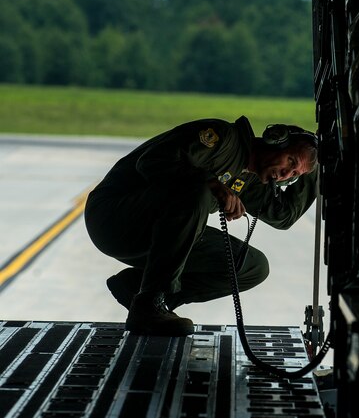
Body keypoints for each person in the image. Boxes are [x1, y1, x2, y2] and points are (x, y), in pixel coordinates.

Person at [84, 116, 319, 336]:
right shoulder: (223, 138)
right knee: (196, 191)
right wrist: (211, 183)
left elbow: (284, 215)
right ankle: (149, 303)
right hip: (114, 217)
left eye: (295, 173)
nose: (286, 173)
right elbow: (152, 161)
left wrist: (321, 159)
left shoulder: (249, 180)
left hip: (155, 234)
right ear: (276, 140)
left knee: (251, 267)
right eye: (291, 161)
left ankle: (142, 292)